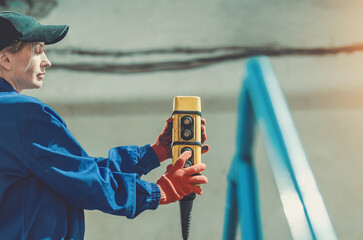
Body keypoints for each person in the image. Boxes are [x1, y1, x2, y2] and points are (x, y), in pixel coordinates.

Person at [0, 11, 209, 239]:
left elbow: (72, 170)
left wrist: (154, 153)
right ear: (5, 59)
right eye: (37, 51)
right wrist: (158, 192)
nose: (47, 61)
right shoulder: (23, 114)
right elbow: (82, 180)